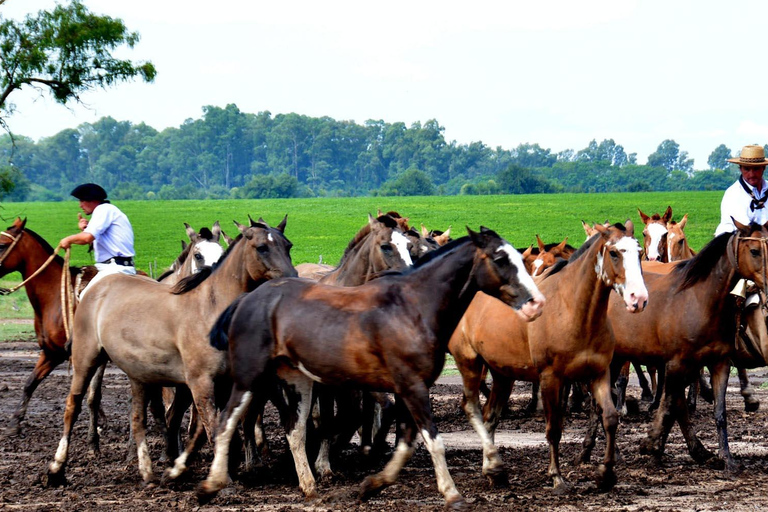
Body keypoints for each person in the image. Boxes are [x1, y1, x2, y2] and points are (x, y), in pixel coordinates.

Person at [59, 183, 136, 294]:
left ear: (92, 200)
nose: (80, 205)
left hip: (114, 269)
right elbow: (93, 240)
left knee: (86, 296)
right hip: (113, 266)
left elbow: (87, 238)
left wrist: (68, 239)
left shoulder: (103, 210)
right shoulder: (106, 211)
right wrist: (85, 229)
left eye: (82, 201)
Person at [715, 144, 768, 236]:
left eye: (756, 169)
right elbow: (746, 229)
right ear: (740, 169)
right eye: (746, 169)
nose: (751, 174)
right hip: (743, 240)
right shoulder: (733, 194)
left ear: (763, 168)